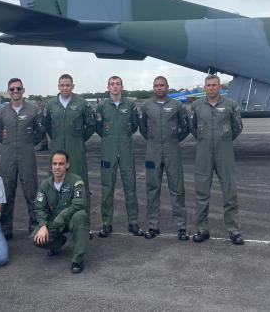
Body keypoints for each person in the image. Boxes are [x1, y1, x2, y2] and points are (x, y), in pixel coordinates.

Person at [191, 75, 244, 245]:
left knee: (230, 193)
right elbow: (193, 128)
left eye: (214, 85)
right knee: (201, 194)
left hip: (225, 153)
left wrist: (224, 140)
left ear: (220, 86)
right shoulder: (197, 105)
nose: (211, 88)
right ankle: (202, 229)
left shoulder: (230, 104)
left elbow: (237, 127)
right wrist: (205, 139)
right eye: (208, 85)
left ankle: (234, 230)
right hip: (203, 153)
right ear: (204, 87)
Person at [139, 76, 190, 240]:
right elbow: (142, 128)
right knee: (152, 187)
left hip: (172, 149)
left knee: (177, 188)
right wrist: (153, 140)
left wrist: (174, 140)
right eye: (156, 85)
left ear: (167, 87)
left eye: (162, 85)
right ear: (153, 88)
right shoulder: (146, 106)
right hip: (151, 151)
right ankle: (153, 226)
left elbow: (185, 126)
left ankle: (181, 227)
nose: (159, 88)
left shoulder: (177, 105)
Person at [0, 78, 45, 239]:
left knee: (31, 190)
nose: (15, 92)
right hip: (8, 155)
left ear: (23, 90)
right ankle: (6, 226)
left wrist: (28, 143)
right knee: (7, 191)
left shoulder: (33, 110)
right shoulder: (2, 112)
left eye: (18, 89)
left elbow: (40, 131)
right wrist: (9, 144)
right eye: (12, 89)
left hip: (27, 154)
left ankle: (34, 224)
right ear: (8, 91)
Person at [44, 74, 96, 226]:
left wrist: (79, 139)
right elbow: (48, 126)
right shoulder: (50, 104)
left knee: (80, 184)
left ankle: (84, 224)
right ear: (58, 86)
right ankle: (56, 224)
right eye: (62, 85)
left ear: (73, 86)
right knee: (55, 185)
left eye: (68, 85)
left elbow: (91, 124)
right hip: (57, 148)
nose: (65, 88)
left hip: (76, 149)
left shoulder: (82, 103)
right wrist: (56, 138)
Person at [95, 76, 144, 237]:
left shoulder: (130, 105)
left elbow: (134, 125)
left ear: (122, 87)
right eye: (112, 84)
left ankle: (133, 222)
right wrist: (110, 139)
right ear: (108, 87)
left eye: (118, 84)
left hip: (126, 150)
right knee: (107, 187)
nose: (115, 87)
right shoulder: (102, 106)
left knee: (130, 186)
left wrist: (123, 138)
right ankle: (107, 223)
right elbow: (99, 127)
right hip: (108, 152)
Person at [32, 150, 88, 273]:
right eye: (54, 164)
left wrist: (63, 215)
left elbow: (79, 204)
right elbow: (40, 208)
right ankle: (58, 242)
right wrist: (42, 225)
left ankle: (77, 260)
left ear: (67, 165)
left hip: (71, 219)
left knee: (80, 216)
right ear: (51, 165)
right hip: (55, 223)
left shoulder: (76, 181)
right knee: (34, 238)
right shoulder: (45, 185)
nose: (57, 167)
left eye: (61, 164)